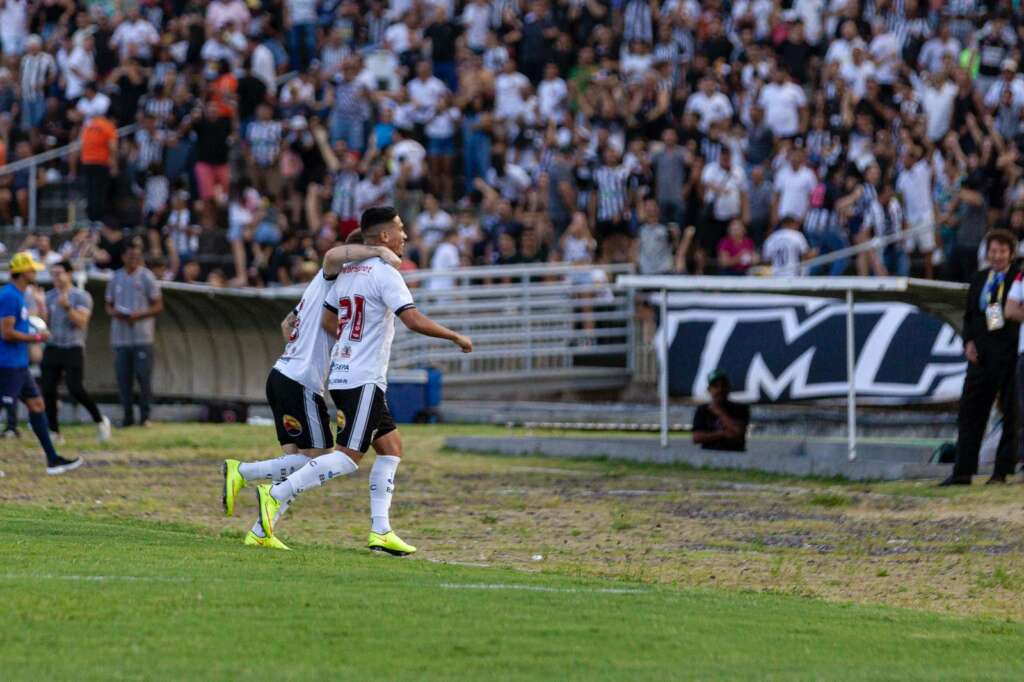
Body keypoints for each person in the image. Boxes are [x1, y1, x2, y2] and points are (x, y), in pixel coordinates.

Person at [249, 207, 474, 553]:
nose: (405, 237)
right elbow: (412, 320)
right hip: (363, 378)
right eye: (400, 230)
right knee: (348, 457)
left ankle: (381, 531)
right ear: (383, 236)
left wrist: (352, 341)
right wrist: (454, 336)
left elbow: (327, 321)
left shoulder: (347, 273)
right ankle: (275, 492)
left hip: (343, 374)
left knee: (391, 448)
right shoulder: (386, 274)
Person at [222, 239, 402, 550]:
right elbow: (332, 255)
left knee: (299, 460)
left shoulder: (321, 289)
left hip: (283, 375)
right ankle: (243, 471)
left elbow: (286, 323)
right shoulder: (335, 276)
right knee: (318, 459)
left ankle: (261, 531)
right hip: (300, 382)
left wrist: (301, 354)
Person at [942, 230, 1020, 486]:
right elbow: (968, 317)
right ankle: (962, 471)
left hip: (1008, 357)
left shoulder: (1017, 280)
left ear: (1011, 253)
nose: (997, 256)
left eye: (1002, 251)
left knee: (1011, 413)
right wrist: (968, 342)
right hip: (979, 358)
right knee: (970, 413)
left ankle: (1001, 472)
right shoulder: (978, 279)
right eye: (993, 251)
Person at [0, 252, 81, 474]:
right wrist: (36, 338)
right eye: (32, 269)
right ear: (22, 272)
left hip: (19, 364)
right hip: (7, 364)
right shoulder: (9, 296)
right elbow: (6, 333)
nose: (35, 273)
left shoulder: (21, 294)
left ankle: (52, 459)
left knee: (37, 405)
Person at [40, 260, 111, 443]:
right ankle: (54, 432)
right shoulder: (48, 296)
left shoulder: (81, 296)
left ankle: (100, 420)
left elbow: (81, 322)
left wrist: (66, 307)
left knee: (75, 388)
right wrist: (40, 308)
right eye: (53, 274)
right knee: (48, 389)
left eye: (59, 273)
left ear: (69, 274)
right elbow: (44, 324)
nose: (56, 277)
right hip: (53, 345)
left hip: (73, 346)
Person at [105, 244, 163, 427]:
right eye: (131, 256)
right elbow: (108, 304)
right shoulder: (116, 277)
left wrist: (139, 315)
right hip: (121, 338)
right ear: (123, 257)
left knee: (143, 377)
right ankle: (127, 417)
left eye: (137, 257)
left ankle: (145, 417)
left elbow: (158, 305)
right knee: (123, 379)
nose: (134, 260)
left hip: (142, 337)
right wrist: (117, 314)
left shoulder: (146, 276)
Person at [692, 370, 750, 452]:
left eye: (723, 386)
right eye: (715, 386)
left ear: (728, 387)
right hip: (708, 453)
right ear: (709, 389)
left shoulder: (740, 408)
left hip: (735, 453)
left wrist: (720, 413)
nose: (720, 390)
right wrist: (722, 433)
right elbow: (696, 438)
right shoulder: (703, 409)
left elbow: (738, 432)